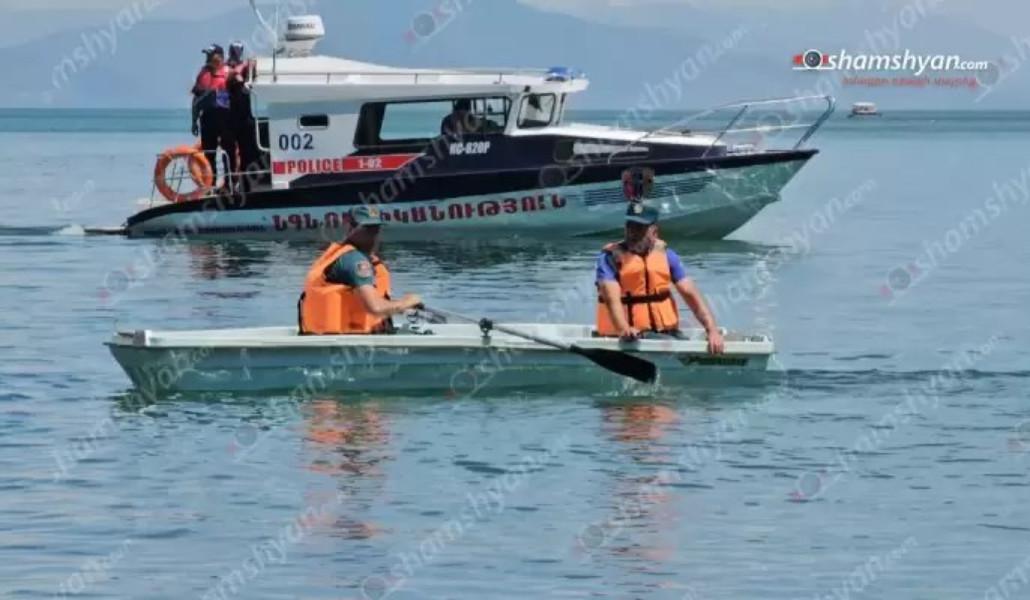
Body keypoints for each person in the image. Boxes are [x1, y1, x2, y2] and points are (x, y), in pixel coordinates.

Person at [595, 203, 725, 354]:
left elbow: (690, 294)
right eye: (630, 226)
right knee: (671, 346)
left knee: (686, 342)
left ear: (654, 232)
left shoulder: (667, 256)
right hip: (628, 338)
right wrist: (624, 329)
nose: (632, 233)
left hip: (665, 333)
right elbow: (612, 299)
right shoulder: (609, 258)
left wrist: (712, 331)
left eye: (639, 228)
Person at [298, 205, 422, 335]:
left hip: (338, 339)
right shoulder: (355, 260)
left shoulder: (354, 256)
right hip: (339, 342)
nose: (372, 235)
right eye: (367, 229)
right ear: (350, 229)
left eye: (375, 229)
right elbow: (376, 308)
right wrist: (406, 302)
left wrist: (400, 307)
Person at [192, 44, 234, 191]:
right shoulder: (202, 73)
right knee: (209, 153)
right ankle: (211, 184)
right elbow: (196, 100)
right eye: (207, 55)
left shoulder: (229, 72)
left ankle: (230, 183)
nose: (208, 58)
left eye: (211, 55)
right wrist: (193, 121)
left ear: (220, 57)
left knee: (228, 152)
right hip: (207, 118)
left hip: (226, 117)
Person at [226, 41, 260, 191]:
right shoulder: (225, 69)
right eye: (233, 50)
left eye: (238, 50)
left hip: (245, 116)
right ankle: (229, 184)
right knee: (229, 153)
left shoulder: (247, 67)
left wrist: (248, 69)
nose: (235, 53)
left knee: (249, 152)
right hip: (229, 117)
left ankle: (248, 185)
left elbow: (254, 77)